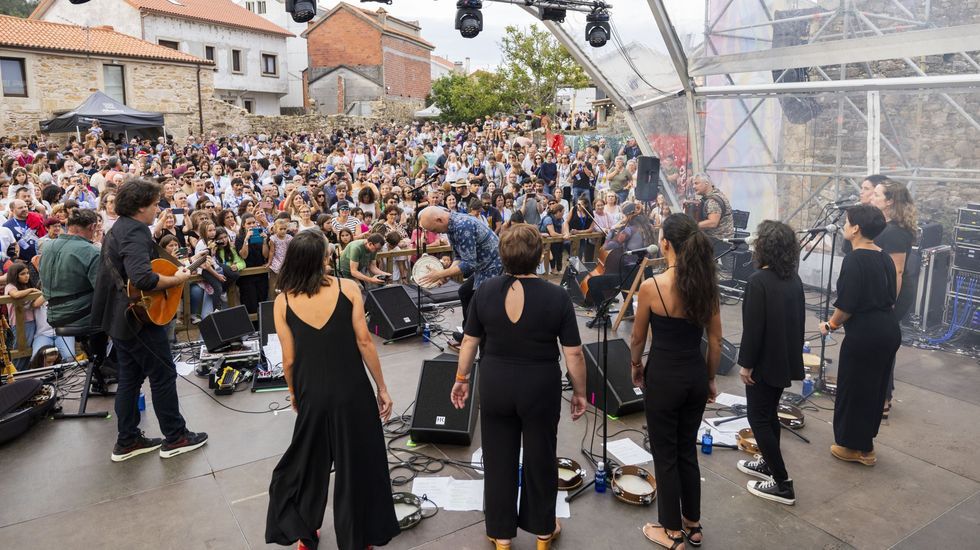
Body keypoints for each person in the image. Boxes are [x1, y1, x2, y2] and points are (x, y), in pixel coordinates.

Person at [451, 224, 587, 550]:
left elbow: (469, 341)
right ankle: (543, 533)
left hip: (496, 381)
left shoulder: (484, 291)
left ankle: (501, 536)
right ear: (540, 255)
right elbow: (574, 353)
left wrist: (461, 379)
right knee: (541, 456)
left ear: (502, 255)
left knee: (498, 458)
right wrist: (581, 392)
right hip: (539, 385)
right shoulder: (556, 295)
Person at [265, 231, 399, 550]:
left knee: (308, 464)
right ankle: (359, 536)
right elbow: (364, 342)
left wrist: (296, 394)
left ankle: (305, 532)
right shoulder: (348, 287)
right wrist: (382, 388)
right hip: (352, 390)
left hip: (312, 392)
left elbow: (288, 359)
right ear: (321, 259)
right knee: (358, 464)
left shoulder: (283, 301)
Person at [92, 178, 208, 462]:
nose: (158, 208)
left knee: (130, 378)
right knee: (163, 375)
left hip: (120, 319)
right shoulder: (134, 233)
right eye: (155, 204)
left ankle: (128, 440)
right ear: (140, 206)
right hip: (139, 320)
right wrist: (177, 279)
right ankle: (176, 437)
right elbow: (143, 277)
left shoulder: (118, 228)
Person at [630, 213, 720, 549]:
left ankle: (670, 530)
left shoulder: (653, 286)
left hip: (664, 376)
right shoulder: (706, 285)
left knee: (665, 453)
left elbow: (638, 338)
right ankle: (693, 523)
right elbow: (716, 341)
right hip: (694, 375)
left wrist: (635, 365)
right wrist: (710, 378)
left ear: (665, 243)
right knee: (686, 450)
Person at [821, 205, 901, 466]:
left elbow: (846, 306)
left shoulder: (855, 259)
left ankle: (853, 447)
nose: (844, 225)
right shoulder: (884, 257)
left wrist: (830, 325)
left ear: (856, 228)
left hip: (866, 334)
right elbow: (891, 298)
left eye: (847, 222)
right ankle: (866, 447)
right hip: (887, 330)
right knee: (874, 389)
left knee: (854, 389)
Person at [736, 220, 805, 505]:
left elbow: (753, 329)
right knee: (769, 414)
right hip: (784, 358)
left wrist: (746, 364)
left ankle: (782, 483)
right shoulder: (794, 280)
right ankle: (767, 461)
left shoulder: (758, 282)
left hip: (764, 362)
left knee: (759, 418)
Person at [416, 206, 504, 345]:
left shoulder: (462, 226)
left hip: (493, 267)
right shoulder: (451, 225)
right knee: (464, 292)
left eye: (433, 229)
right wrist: (446, 275)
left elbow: (469, 264)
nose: (434, 233)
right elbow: (459, 256)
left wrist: (439, 274)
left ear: (439, 219)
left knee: (477, 304)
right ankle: (469, 333)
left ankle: (480, 338)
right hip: (483, 266)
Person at [870, 178, 917, 419]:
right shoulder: (885, 226)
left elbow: (896, 271)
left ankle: (884, 400)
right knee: (879, 344)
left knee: (882, 344)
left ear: (889, 202)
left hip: (896, 293)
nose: (871, 197)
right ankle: (881, 394)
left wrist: (890, 303)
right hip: (886, 290)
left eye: (877, 194)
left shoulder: (897, 232)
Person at [692, 173, 734, 242]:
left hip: (719, 242)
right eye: (693, 184)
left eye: (696, 183)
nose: (694, 186)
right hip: (719, 240)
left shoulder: (713, 201)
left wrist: (693, 225)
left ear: (706, 183)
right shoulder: (717, 193)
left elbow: (713, 223)